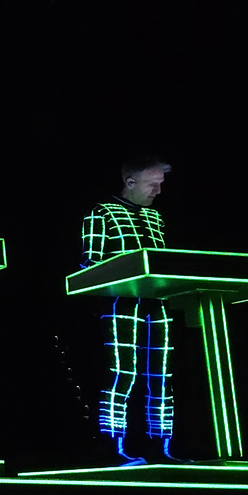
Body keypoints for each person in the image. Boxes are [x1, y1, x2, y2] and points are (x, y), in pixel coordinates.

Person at [81, 155, 175, 465]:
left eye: (160, 185)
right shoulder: (102, 213)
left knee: (161, 375)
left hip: (157, 303)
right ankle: (113, 446)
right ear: (130, 182)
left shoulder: (156, 218)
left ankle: (161, 447)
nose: (157, 191)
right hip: (120, 304)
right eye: (151, 184)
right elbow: (91, 265)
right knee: (121, 373)